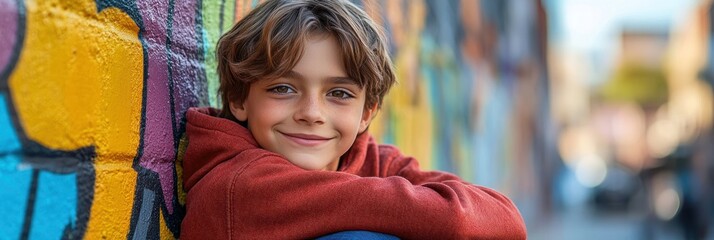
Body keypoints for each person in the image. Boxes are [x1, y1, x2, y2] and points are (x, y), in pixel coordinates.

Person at [180, 0, 527, 239]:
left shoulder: (366, 159)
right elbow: (453, 218)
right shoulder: (235, 187)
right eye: (283, 88)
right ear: (239, 98)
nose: (312, 113)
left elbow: (504, 218)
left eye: (339, 94)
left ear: (367, 112)